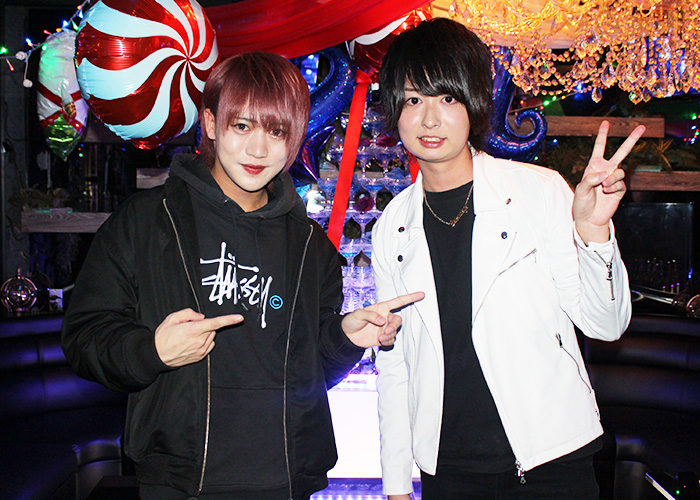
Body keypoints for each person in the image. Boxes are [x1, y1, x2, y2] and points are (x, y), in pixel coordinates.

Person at [61, 51, 423, 500]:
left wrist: (345, 339)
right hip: (179, 481)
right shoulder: (147, 222)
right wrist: (151, 350)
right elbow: (85, 337)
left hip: (285, 479)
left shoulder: (310, 245)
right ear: (212, 124)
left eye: (277, 131)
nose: (258, 149)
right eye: (243, 126)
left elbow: (313, 374)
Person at [371, 17, 646, 500]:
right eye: (413, 100)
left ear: (475, 103)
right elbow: (395, 364)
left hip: (551, 460)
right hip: (449, 468)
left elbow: (605, 325)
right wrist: (396, 485)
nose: (429, 119)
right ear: (395, 110)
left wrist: (593, 232)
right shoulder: (392, 224)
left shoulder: (538, 191)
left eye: (447, 98)